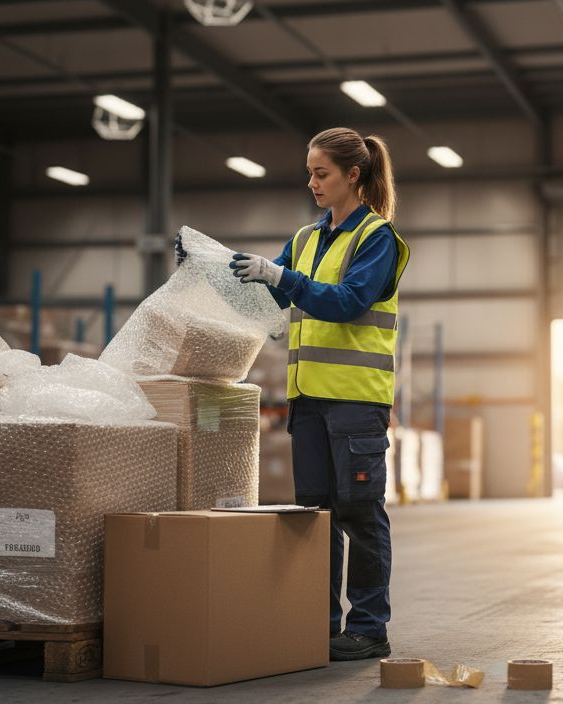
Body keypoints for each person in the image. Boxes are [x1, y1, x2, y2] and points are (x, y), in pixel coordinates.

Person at [176, 127, 410, 661]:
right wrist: (207, 264)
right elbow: (265, 289)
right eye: (309, 172)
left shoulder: (377, 238)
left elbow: (348, 301)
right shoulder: (307, 239)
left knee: (359, 513)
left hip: (355, 401)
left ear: (354, 175)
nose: (312, 182)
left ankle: (370, 627)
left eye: (322, 173)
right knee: (316, 514)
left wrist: (280, 276)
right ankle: (320, 623)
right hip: (308, 401)